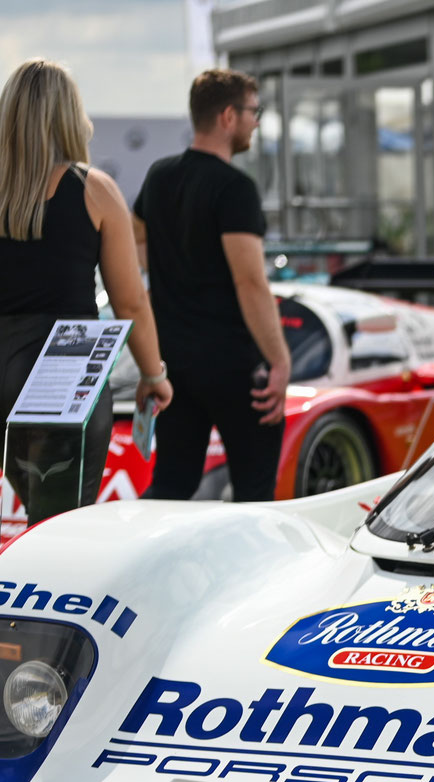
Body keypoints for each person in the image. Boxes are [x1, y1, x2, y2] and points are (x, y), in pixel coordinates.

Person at [0, 60, 170, 512]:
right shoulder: (93, 190)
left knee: (40, 517)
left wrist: (0, 325)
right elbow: (131, 301)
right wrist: (153, 374)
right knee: (60, 527)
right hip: (67, 371)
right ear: (69, 116)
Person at [134, 68, 289, 503]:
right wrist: (279, 361)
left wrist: (172, 264)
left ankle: (145, 570)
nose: (256, 122)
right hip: (234, 367)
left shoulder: (160, 176)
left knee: (171, 486)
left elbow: (136, 241)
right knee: (254, 493)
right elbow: (250, 282)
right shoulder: (234, 188)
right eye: (253, 112)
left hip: (175, 364)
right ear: (227, 116)